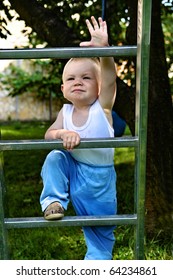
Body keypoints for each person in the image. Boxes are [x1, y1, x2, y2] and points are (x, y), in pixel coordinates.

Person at [40, 16, 117, 260]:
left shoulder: (102, 106)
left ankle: (95, 267)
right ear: (63, 89)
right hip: (74, 171)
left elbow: (110, 77)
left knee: (100, 239)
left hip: (100, 183)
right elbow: (48, 135)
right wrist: (62, 133)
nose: (78, 82)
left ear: (98, 86)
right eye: (71, 78)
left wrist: (103, 51)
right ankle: (53, 201)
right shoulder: (66, 112)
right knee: (54, 156)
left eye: (86, 77)